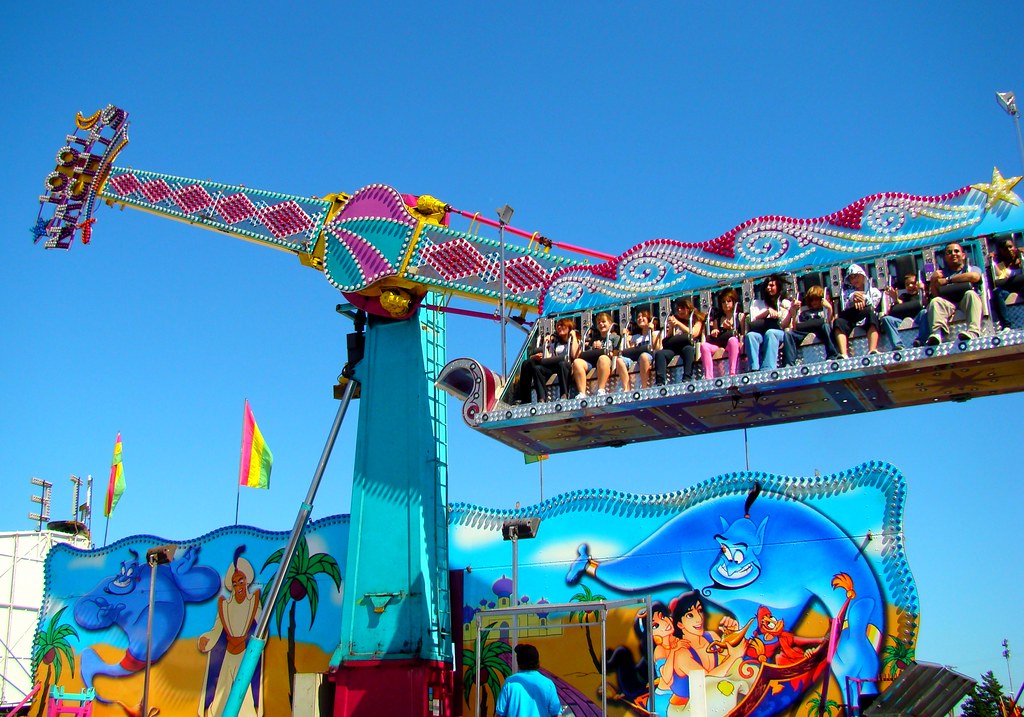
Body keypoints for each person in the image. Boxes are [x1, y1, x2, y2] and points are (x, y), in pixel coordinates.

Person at [198, 548, 264, 717]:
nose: (238, 586)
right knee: (223, 687)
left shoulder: (253, 602)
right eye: (234, 583)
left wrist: (257, 645)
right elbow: (216, 630)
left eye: (240, 581)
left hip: (244, 653)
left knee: (243, 688)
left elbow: (262, 627)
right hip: (229, 652)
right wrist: (205, 639)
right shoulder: (225, 605)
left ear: (246, 581)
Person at [660, 592, 746, 712]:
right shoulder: (681, 653)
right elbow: (707, 680)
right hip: (686, 709)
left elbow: (733, 656)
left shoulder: (711, 636)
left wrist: (733, 634)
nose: (699, 618)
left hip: (709, 699)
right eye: (690, 615)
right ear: (680, 624)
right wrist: (734, 656)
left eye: (699, 611)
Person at [925, 242, 983, 344]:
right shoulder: (941, 274)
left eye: (956, 251)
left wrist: (948, 280)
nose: (953, 254)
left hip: (966, 301)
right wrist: (933, 280)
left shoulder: (971, 269)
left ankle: (973, 332)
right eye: (949, 252)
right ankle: (937, 334)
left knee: (971, 294)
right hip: (949, 304)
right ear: (945, 257)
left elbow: (975, 277)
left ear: (963, 255)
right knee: (935, 301)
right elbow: (936, 295)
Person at [516, 318, 579, 403]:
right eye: (558, 326)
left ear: (569, 327)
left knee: (562, 364)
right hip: (555, 367)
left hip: (567, 366)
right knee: (537, 368)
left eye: (562, 325)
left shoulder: (573, 341)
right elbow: (548, 358)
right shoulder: (555, 344)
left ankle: (564, 395)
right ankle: (541, 398)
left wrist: (574, 336)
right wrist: (547, 345)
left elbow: (575, 355)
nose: (559, 327)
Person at [743, 276, 796, 371]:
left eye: (771, 285)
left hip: (780, 334)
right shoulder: (757, 304)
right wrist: (767, 312)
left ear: (778, 287)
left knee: (771, 333)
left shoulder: (784, 303)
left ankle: (768, 367)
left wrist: (790, 311)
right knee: (751, 335)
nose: (768, 288)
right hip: (761, 334)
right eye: (767, 285)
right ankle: (754, 368)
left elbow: (783, 325)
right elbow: (753, 322)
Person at [494, 643, 561, 717]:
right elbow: (557, 714)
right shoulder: (548, 684)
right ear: (537, 661)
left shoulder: (509, 683)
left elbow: (500, 714)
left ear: (518, 662)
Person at [573, 312, 630, 396]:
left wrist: (602, 349)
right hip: (593, 362)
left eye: (603, 322)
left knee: (603, 358)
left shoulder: (615, 337)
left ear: (610, 323)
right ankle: (582, 393)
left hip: (607, 362)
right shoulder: (594, 339)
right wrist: (592, 348)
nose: (601, 324)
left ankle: (601, 390)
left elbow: (616, 354)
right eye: (599, 323)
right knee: (577, 362)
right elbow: (587, 354)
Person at [831, 264, 883, 358]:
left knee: (872, 315)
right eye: (851, 278)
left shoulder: (874, 292)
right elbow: (845, 307)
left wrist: (862, 299)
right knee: (838, 322)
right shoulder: (846, 293)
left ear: (863, 276)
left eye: (856, 276)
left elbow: (874, 304)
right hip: (852, 317)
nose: (855, 279)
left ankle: (872, 350)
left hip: (867, 315)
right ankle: (843, 354)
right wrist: (853, 298)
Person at [653, 299, 704, 385]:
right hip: (675, 346)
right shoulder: (676, 320)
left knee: (688, 350)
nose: (680, 311)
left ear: (689, 309)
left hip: (688, 345)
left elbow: (694, 333)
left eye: (682, 308)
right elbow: (669, 337)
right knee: (660, 354)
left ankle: (687, 378)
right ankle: (660, 382)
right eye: (678, 309)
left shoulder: (696, 320)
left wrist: (678, 324)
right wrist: (671, 326)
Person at [700, 289, 745, 377]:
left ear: (733, 302)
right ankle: (708, 376)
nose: (726, 304)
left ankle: (732, 372)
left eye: (729, 301)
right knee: (704, 346)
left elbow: (742, 334)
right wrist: (714, 331)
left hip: (732, 344)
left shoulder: (739, 316)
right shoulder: (718, 318)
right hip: (719, 344)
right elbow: (715, 331)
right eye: (723, 302)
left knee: (733, 340)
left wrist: (730, 328)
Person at [786, 285, 838, 360]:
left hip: (821, 330)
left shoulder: (824, 311)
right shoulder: (805, 313)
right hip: (806, 331)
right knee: (789, 334)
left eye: (816, 299)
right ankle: (790, 362)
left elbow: (830, 322)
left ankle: (833, 355)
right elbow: (795, 327)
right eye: (811, 300)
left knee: (826, 326)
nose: (814, 302)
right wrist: (794, 312)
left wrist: (829, 308)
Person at [880, 273, 926, 350]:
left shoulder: (921, 295)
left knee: (924, 312)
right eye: (907, 285)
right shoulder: (904, 296)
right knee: (887, 319)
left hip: (917, 320)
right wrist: (895, 298)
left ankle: (921, 340)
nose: (910, 286)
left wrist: (923, 290)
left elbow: (926, 303)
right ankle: (898, 345)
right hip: (903, 322)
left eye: (913, 283)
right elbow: (900, 302)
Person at [991, 236, 1024, 330]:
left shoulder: (1021, 260)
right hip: (1009, 289)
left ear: (1014, 247)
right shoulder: (1001, 265)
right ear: (1001, 251)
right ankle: (1006, 325)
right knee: (997, 292)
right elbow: (1000, 277)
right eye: (1005, 248)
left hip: (1022, 286)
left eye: (1010, 247)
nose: (1009, 250)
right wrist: (992, 261)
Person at [622, 309, 661, 388]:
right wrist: (626, 338)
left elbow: (656, 347)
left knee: (644, 356)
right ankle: (626, 387)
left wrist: (652, 331)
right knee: (620, 360)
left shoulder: (656, 333)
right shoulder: (635, 337)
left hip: (650, 356)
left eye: (643, 316)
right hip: (636, 357)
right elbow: (630, 351)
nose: (640, 318)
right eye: (638, 317)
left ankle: (644, 386)